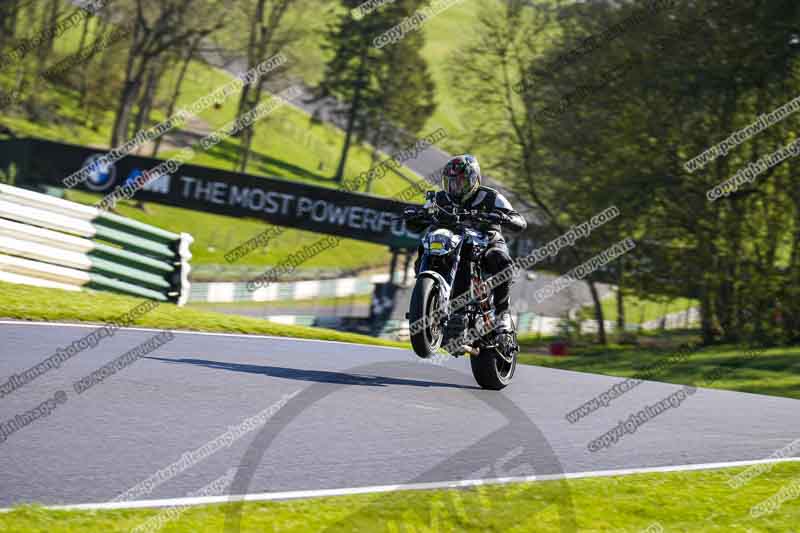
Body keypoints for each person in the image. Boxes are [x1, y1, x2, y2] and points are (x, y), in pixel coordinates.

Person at [407, 154, 527, 332]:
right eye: (451, 182)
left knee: (501, 260)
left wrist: (502, 216)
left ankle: (502, 314)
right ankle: (429, 300)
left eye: (460, 182)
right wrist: (416, 215)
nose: (455, 187)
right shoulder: (439, 199)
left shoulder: (491, 197)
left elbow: (519, 221)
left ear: (474, 180)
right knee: (426, 245)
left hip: (486, 241)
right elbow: (417, 221)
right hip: (451, 241)